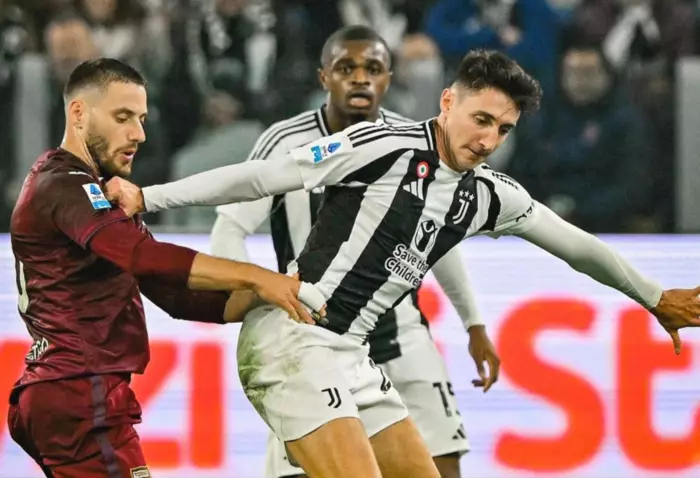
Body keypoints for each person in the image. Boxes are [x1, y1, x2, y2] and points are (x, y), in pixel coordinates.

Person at [106, 50, 700, 477]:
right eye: (481, 120)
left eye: (504, 129)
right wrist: (149, 196)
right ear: (448, 102)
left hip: (353, 357)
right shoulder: (382, 145)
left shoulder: (489, 194)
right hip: (295, 339)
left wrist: (653, 297)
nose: (489, 140)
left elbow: (576, 246)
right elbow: (263, 177)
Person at [7, 58, 325, 478]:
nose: (138, 134)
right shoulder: (65, 184)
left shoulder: (97, 194)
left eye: (141, 119)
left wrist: (269, 296)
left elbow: (175, 295)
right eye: (123, 117)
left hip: (62, 391)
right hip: (80, 392)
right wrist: (258, 276)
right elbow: (144, 257)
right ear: (79, 113)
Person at [210, 25, 494, 478]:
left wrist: (473, 322)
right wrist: (253, 286)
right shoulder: (286, 141)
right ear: (324, 76)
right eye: (346, 68)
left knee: (441, 467)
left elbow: (439, 236)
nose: (360, 78)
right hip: (311, 337)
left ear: (388, 78)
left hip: (399, 335)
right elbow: (230, 225)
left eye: (373, 68)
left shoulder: (419, 142)